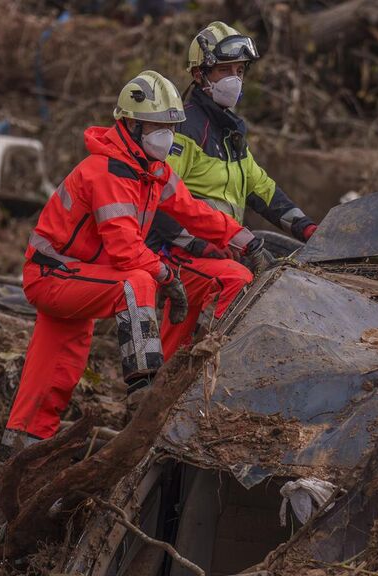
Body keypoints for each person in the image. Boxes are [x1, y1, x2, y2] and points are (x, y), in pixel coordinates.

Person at [2, 71, 264, 454]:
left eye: (171, 127)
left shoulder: (152, 171)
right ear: (132, 125)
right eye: (158, 127)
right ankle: (143, 387)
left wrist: (248, 241)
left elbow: (195, 213)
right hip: (53, 275)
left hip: (77, 275)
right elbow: (125, 250)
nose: (167, 136)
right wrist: (167, 277)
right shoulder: (107, 173)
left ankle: (20, 450)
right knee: (136, 282)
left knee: (56, 371)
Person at [146, 21, 317, 359]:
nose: (235, 79)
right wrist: (201, 246)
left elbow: (262, 189)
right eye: (225, 70)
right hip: (181, 251)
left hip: (219, 249)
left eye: (240, 70)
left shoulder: (231, 133)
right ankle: (221, 366)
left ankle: (160, 391)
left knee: (170, 352)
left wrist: (308, 228)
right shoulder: (183, 130)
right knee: (237, 281)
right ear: (199, 74)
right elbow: (158, 202)